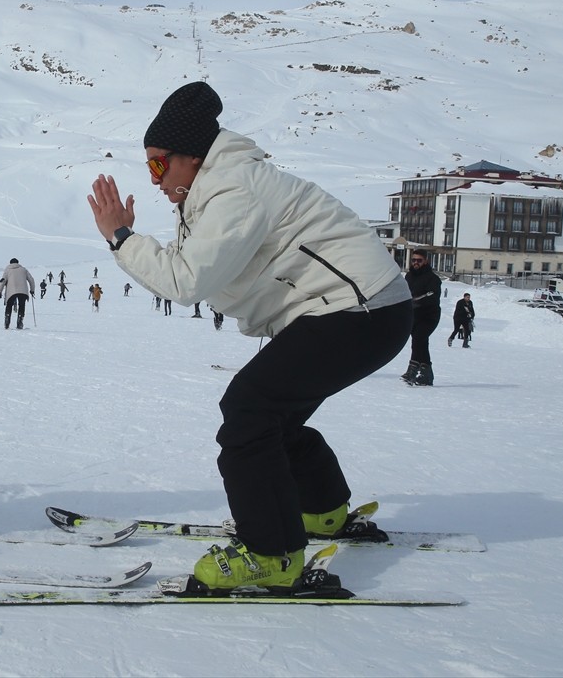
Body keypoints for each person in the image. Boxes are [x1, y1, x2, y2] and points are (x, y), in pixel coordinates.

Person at [87, 81, 411, 592]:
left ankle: (273, 554)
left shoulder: (235, 190)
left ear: (190, 157)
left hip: (359, 310)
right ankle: (322, 512)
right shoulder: (213, 190)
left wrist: (121, 238)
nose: (153, 181)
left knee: (248, 415)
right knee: (271, 420)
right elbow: (188, 267)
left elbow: (186, 282)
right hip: (360, 310)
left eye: (157, 165)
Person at [403, 249, 442, 385]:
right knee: (420, 341)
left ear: (425, 261)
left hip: (429, 316)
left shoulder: (433, 279)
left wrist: (418, 301)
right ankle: (426, 374)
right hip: (414, 315)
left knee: (419, 337)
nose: (416, 263)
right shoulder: (409, 276)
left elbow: (433, 297)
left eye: (419, 260)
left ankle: (412, 369)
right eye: (413, 260)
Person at [1, 258, 35, 329]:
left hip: (11, 291)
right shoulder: (23, 269)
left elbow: (3, 280)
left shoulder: (7, 270)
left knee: (9, 305)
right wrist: (32, 290)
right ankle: (20, 320)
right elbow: (31, 280)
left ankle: (7, 320)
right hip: (23, 291)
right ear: (18, 263)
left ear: (10, 263)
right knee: (22, 305)